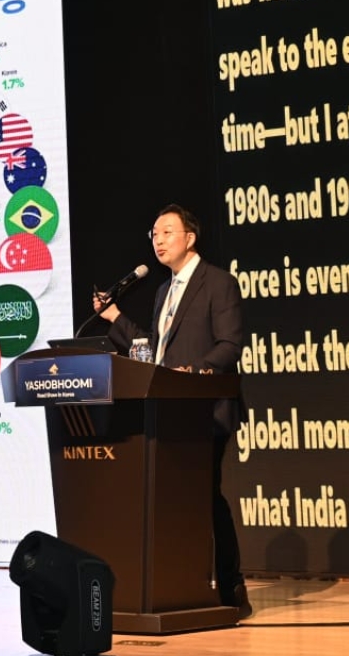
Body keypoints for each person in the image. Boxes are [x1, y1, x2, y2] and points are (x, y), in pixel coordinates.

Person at [93, 203, 250, 619]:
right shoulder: (164, 291)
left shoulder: (218, 283)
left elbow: (230, 344)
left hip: (204, 408)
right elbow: (155, 350)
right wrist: (114, 317)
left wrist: (194, 373)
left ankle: (232, 586)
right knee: (172, 497)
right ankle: (180, 584)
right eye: (154, 234)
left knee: (204, 495)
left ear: (190, 238)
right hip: (166, 407)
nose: (158, 241)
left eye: (166, 232)